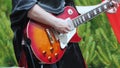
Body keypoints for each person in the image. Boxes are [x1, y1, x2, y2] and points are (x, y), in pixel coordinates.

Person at [10, 0, 119, 68]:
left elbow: (69, 11)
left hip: (66, 47)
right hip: (41, 45)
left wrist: (101, 7)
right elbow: (26, 6)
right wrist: (57, 23)